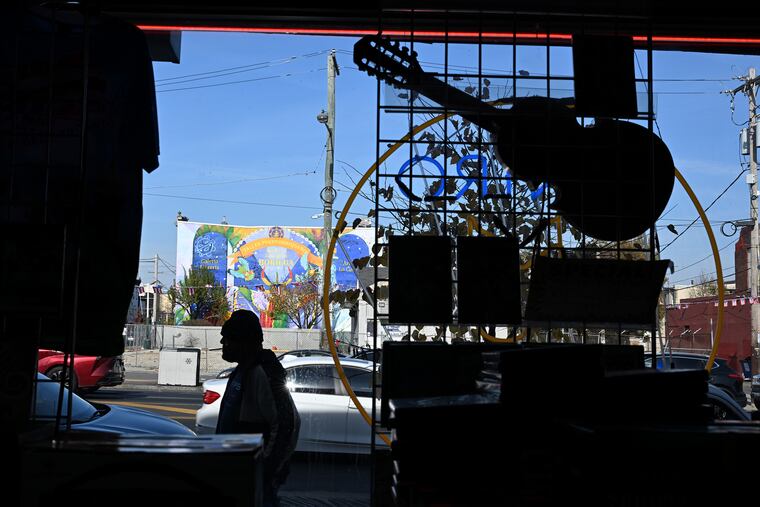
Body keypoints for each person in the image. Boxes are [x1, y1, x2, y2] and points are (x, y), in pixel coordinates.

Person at [216, 310, 300, 507]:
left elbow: (287, 423)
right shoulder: (242, 370)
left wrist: (265, 470)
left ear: (244, 342)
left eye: (228, 338)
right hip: (237, 474)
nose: (222, 343)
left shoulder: (261, 372)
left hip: (253, 480)